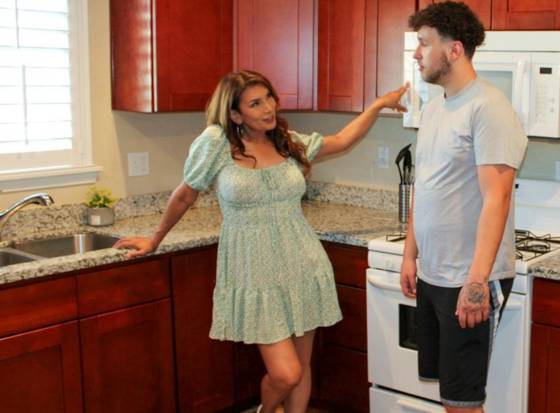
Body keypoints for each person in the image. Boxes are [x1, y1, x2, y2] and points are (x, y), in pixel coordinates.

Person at [115, 69, 407, 413]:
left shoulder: (285, 140)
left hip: (303, 262)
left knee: (302, 368)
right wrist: (155, 240)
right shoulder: (215, 144)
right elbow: (184, 195)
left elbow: (341, 141)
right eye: (255, 103)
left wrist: (378, 105)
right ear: (235, 114)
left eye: (269, 97)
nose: (268, 108)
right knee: (286, 374)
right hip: (253, 269)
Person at [398, 2, 528, 412]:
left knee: (462, 403)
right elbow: (426, 186)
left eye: (423, 43)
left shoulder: (488, 107)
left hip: (466, 279)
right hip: (434, 273)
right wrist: (409, 254)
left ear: (454, 50)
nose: (416, 53)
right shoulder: (435, 106)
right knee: (450, 396)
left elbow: (497, 199)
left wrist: (476, 283)